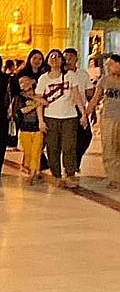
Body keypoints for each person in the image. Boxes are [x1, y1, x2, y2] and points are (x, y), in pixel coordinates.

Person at [36, 48, 87, 189]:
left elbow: (76, 95)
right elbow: (39, 101)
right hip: (50, 117)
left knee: (69, 146)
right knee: (52, 148)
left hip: (69, 116)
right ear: (47, 61)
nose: (54, 59)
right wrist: (40, 120)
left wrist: (83, 113)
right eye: (51, 57)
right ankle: (56, 175)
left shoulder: (70, 75)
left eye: (57, 57)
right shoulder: (43, 79)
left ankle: (70, 173)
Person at [86, 54, 120, 189]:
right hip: (108, 118)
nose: (108, 67)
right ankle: (113, 178)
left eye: (111, 64)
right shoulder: (104, 80)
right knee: (109, 148)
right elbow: (95, 98)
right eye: (107, 65)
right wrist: (86, 113)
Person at [64, 48, 96, 170]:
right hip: (65, 109)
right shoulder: (61, 73)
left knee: (86, 136)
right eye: (65, 57)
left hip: (80, 109)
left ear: (76, 59)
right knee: (69, 139)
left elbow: (89, 94)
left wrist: (91, 111)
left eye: (70, 57)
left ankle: (76, 160)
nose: (68, 60)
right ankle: (70, 165)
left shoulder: (83, 74)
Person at [13, 74, 44, 184]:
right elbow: (21, 111)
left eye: (26, 81)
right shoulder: (19, 98)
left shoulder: (38, 95)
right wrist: (35, 105)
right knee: (28, 152)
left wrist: (36, 100)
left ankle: (33, 173)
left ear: (32, 81)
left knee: (36, 152)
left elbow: (45, 103)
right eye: (21, 82)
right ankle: (31, 169)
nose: (24, 84)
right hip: (25, 129)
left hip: (37, 129)